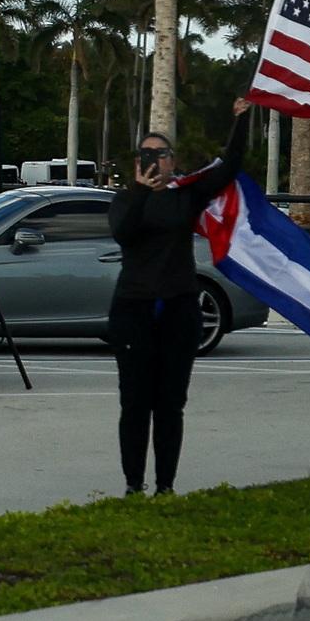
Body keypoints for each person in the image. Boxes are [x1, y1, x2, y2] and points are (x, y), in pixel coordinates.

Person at [104, 102, 249, 495]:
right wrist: (139, 190)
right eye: (146, 154)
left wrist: (241, 118)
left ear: (173, 161)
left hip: (179, 307)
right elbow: (124, 233)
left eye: (161, 154)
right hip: (134, 308)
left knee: (170, 404)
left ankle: (165, 485)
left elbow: (229, 166)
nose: (154, 160)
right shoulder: (125, 199)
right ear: (137, 161)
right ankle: (134, 484)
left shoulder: (187, 195)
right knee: (135, 404)